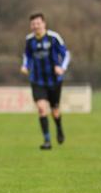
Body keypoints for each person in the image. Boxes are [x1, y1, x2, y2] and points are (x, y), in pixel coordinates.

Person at [20, 13, 70, 150]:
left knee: (55, 111)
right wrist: (25, 66)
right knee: (42, 109)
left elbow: (66, 54)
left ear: (44, 23)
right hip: (37, 80)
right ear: (31, 26)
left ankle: (59, 127)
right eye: (33, 24)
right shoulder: (29, 40)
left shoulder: (54, 37)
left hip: (54, 80)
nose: (35, 26)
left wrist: (62, 68)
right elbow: (27, 55)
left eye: (38, 23)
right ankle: (47, 141)